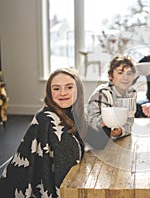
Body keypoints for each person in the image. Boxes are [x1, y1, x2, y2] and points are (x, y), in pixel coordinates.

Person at [0, 68, 87, 197]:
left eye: (69, 87)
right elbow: (65, 171)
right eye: (56, 88)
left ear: (78, 90)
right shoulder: (48, 120)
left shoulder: (73, 114)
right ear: (49, 92)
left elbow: (93, 141)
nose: (63, 93)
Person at [87, 55, 137, 139]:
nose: (125, 77)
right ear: (110, 76)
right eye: (120, 73)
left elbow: (129, 121)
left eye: (129, 73)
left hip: (117, 139)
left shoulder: (132, 93)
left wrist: (121, 131)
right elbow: (92, 122)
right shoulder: (102, 93)